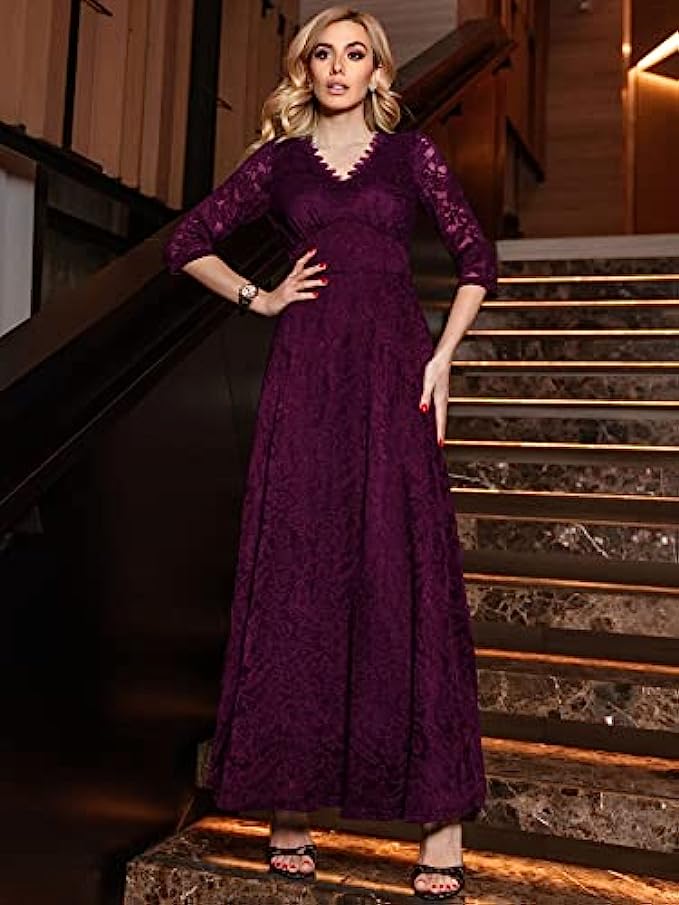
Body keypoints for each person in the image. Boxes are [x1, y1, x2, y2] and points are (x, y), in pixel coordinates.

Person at [163, 5, 498, 901]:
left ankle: (441, 822)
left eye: (356, 54)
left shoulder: (409, 155)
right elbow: (185, 243)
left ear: (378, 71)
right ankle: (290, 811)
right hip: (307, 375)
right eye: (324, 53)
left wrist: (440, 357)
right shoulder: (277, 163)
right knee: (300, 571)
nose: (339, 67)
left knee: (405, 569)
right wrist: (261, 298)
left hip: (393, 370)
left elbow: (476, 259)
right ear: (304, 69)